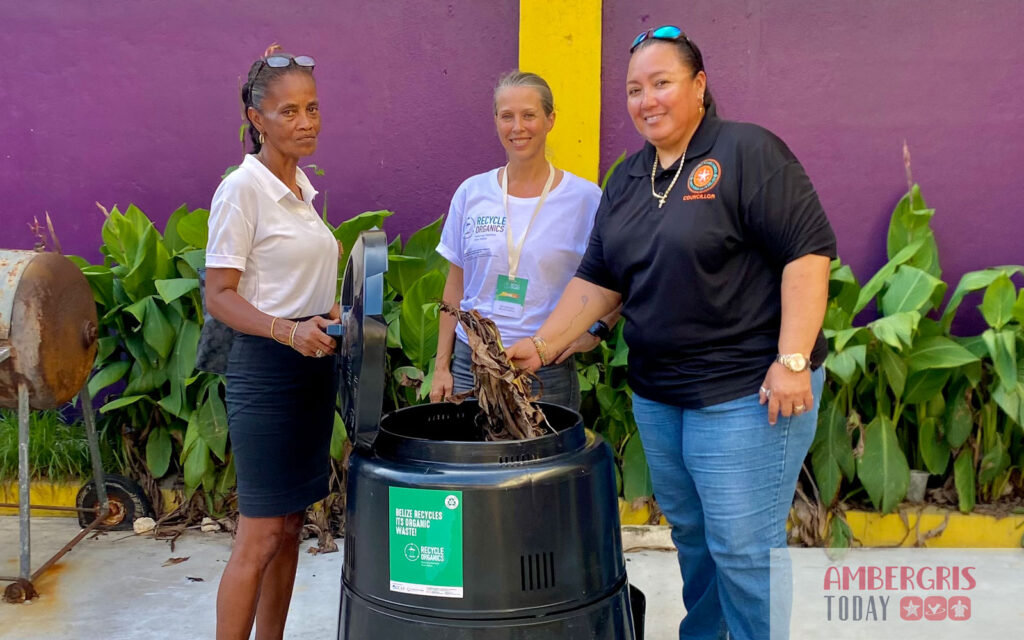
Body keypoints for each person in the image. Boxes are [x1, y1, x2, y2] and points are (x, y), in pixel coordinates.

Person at [507, 26, 836, 640]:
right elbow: (599, 282)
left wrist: (792, 358)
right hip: (661, 396)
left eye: (662, 83)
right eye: (634, 89)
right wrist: (545, 344)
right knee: (692, 533)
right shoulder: (629, 179)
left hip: (746, 391)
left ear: (700, 86)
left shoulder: (748, 152)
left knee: (742, 545)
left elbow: (807, 255)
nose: (646, 100)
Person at [204, 51, 340, 640]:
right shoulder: (243, 190)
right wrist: (288, 329)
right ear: (257, 118)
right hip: (266, 371)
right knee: (259, 534)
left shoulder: (300, 190)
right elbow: (220, 295)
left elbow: (289, 280)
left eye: (311, 107)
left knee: (289, 526)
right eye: (289, 110)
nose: (305, 120)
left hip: (310, 369)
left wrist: (328, 311)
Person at [430, 70, 615, 411]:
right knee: (472, 463)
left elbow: (618, 277)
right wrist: (441, 366)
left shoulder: (585, 199)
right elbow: (455, 287)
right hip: (471, 365)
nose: (518, 127)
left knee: (543, 464)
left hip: (547, 368)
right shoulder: (471, 193)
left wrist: (600, 329)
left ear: (550, 120)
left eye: (529, 115)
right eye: (507, 116)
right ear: (496, 121)